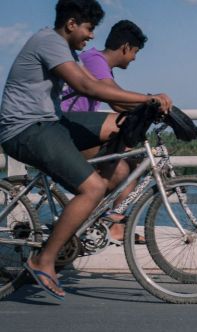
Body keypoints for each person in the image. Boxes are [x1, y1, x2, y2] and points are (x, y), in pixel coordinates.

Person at [0, 0, 172, 300]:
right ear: (71, 24)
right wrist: (146, 98)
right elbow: (87, 87)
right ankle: (43, 260)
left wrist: (145, 104)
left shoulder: (63, 48)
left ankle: (91, 207)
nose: (92, 36)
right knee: (92, 189)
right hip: (26, 129)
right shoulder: (49, 42)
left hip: (51, 121)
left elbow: (112, 99)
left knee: (116, 126)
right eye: (89, 28)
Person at [61, 19, 149, 244]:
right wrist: (151, 101)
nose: (135, 58)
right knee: (120, 170)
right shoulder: (94, 60)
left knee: (132, 162)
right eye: (135, 52)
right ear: (126, 47)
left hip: (81, 131)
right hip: (67, 132)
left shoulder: (101, 65)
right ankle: (98, 219)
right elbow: (117, 100)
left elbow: (116, 102)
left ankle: (113, 223)